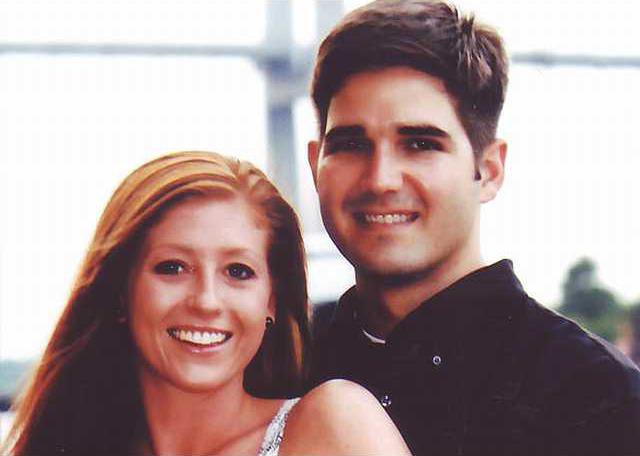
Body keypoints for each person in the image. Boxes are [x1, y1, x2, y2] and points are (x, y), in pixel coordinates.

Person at [307, 1, 640, 455]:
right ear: (315, 164)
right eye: (350, 144)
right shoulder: (273, 365)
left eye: (420, 144)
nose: (380, 179)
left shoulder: (598, 397)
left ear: (489, 170)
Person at [3, 151, 410, 455]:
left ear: (272, 301)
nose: (206, 301)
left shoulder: (335, 425)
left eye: (238, 271)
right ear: (120, 292)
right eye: (172, 267)